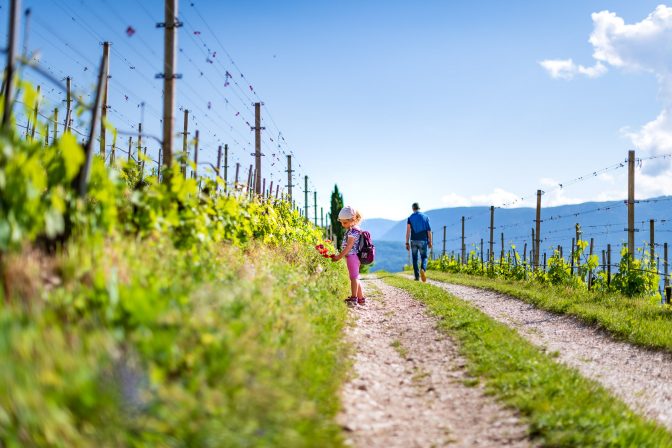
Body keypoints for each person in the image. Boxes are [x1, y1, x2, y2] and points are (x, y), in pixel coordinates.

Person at [332, 205, 366, 306]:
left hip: (352, 256)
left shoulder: (354, 230)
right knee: (355, 277)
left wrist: (339, 256)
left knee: (353, 278)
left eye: (345, 222)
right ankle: (361, 299)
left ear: (353, 219)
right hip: (353, 256)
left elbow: (349, 246)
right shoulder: (353, 229)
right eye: (341, 222)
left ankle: (354, 298)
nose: (342, 225)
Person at [405, 202, 432, 282]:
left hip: (413, 240)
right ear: (419, 208)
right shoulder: (425, 217)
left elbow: (408, 231)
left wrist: (407, 243)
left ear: (413, 209)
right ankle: (423, 269)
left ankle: (417, 277)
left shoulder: (410, 218)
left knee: (414, 259)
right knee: (424, 257)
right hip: (423, 240)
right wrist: (430, 241)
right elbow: (429, 230)